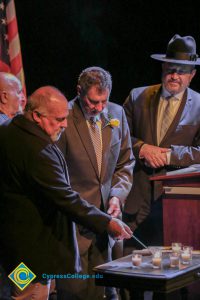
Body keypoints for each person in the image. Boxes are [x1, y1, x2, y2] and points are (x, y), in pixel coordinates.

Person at [0, 86, 133, 300]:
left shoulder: (10, 128)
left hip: (14, 251)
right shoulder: (37, 151)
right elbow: (66, 199)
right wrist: (107, 222)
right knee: (30, 296)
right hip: (30, 257)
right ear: (36, 116)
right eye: (60, 119)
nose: (65, 124)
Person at [122, 34, 200, 299]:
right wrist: (142, 148)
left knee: (171, 285)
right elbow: (117, 139)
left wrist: (168, 155)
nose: (175, 75)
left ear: (192, 75)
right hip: (135, 203)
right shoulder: (138, 96)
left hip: (177, 209)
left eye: (182, 71)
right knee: (131, 278)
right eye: (170, 68)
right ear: (163, 68)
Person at [56, 66, 134, 300]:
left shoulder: (116, 114)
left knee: (107, 290)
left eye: (104, 101)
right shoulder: (63, 117)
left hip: (107, 227)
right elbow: (55, 175)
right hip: (74, 227)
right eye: (93, 102)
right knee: (76, 292)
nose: (100, 109)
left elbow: (125, 162)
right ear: (79, 91)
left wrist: (116, 196)